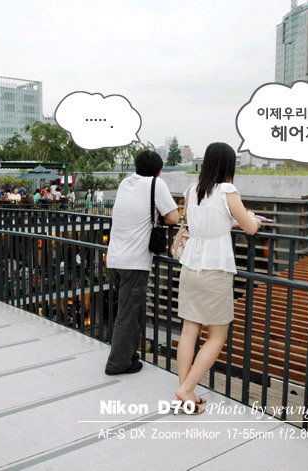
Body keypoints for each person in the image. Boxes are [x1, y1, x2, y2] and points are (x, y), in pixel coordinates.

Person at [173, 142, 261, 414]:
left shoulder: (192, 189)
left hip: (191, 268)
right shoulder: (227, 190)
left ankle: (186, 394)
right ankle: (187, 389)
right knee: (217, 335)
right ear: (228, 165)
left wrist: (229, 221)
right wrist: (254, 220)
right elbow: (250, 228)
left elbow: (201, 222)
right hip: (215, 270)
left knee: (190, 330)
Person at [104, 150, 179, 375]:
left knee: (131, 311)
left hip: (115, 259)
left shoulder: (125, 183)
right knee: (128, 315)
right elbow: (174, 217)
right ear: (158, 171)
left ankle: (129, 355)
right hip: (134, 262)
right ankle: (117, 364)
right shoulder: (156, 184)